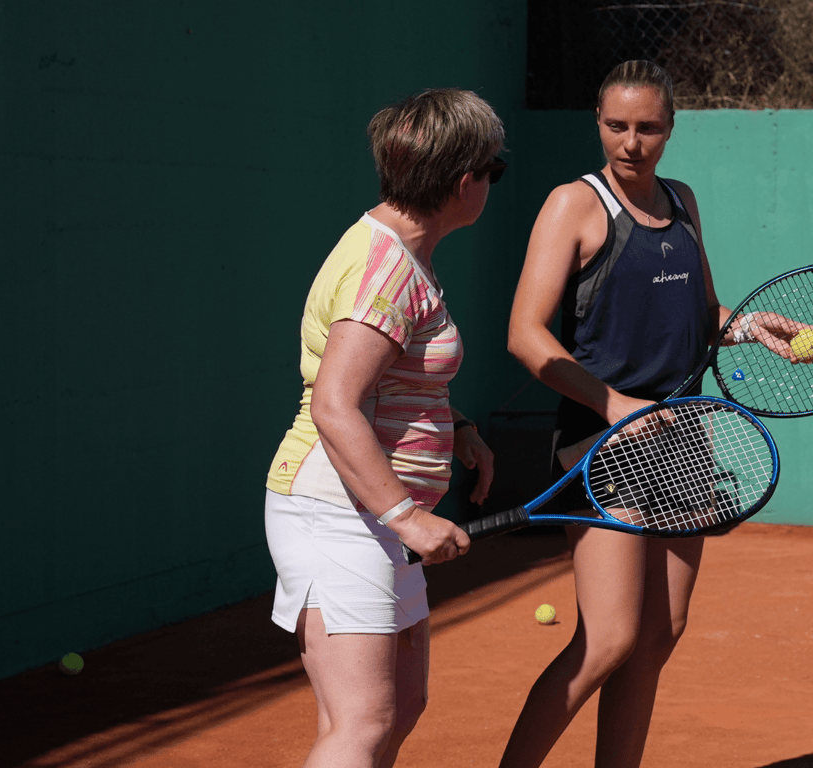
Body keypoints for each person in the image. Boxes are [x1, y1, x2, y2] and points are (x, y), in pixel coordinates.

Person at [498, 60, 762, 767]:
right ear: (598, 124)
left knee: (660, 633)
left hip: (682, 440)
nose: (631, 142)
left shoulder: (682, 202)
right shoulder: (572, 205)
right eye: (617, 126)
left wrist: (747, 325)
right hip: (600, 437)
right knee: (609, 639)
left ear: (670, 129)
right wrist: (615, 406)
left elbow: (704, 314)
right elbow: (525, 333)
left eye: (648, 127)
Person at [264, 88, 503, 768]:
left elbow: (388, 377)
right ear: (464, 182)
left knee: (394, 708)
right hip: (339, 512)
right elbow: (335, 403)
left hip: (366, 513)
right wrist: (405, 517)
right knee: (363, 723)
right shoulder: (387, 268)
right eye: (494, 169)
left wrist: (454, 425)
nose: (491, 181)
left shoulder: (403, 252)